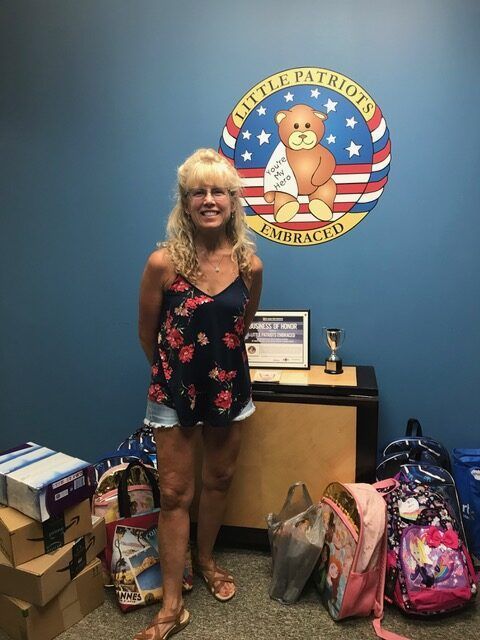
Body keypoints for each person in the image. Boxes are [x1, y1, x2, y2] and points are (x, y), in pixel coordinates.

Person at [135, 148, 263, 640]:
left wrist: (213, 370)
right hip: (174, 392)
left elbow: (240, 325)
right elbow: (148, 334)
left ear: (232, 201)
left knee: (220, 479)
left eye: (218, 192)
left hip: (230, 389)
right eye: (198, 192)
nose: (209, 200)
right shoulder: (162, 263)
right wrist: (176, 375)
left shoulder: (250, 264)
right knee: (173, 494)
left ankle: (205, 559)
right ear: (185, 203)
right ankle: (171, 605)